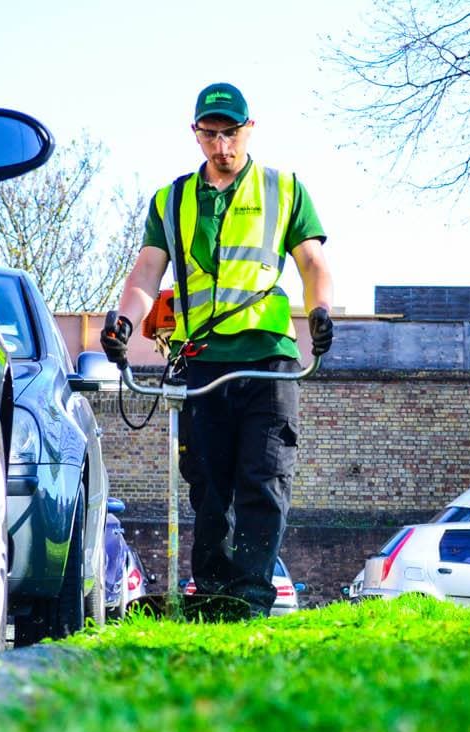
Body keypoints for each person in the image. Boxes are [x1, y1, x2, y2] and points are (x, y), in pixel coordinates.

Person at [101, 82, 334, 619]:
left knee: (265, 477)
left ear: (249, 130)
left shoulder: (285, 189)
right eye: (211, 135)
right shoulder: (172, 199)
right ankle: (212, 593)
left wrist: (319, 311)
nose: (222, 146)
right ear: (196, 135)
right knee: (209, 486)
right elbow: (146, 271)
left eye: (232, 134)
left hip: (269, 358)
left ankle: (249, 596)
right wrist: (124, 322)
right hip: (201, 359)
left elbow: (312, 262)